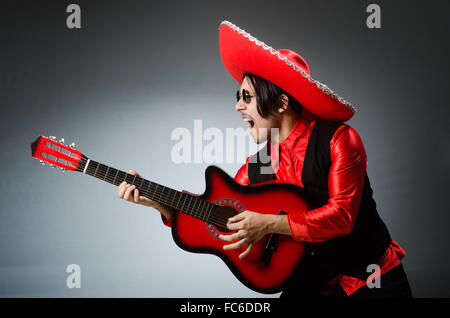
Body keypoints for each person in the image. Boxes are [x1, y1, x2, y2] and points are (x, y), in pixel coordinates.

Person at [117, 21, 412, 297]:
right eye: (237, 96)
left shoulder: (339, 139)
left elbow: (342, 218)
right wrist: (158, 202)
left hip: (372, 277)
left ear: (282, 103)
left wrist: (269, 223)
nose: (237, 106)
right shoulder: (258, 164)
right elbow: (219, 213)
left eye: (246, 97)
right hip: (312, 279)